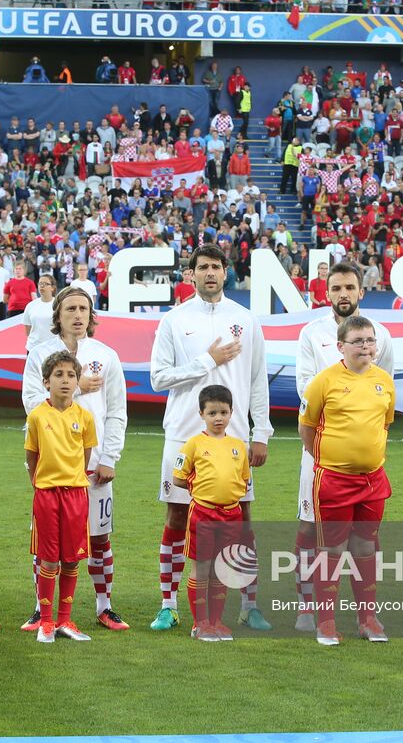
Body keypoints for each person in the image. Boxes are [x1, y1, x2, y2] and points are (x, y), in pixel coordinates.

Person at [149, 245, 272, 632]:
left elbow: (257, 381)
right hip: (184, 433)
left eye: (216, 267)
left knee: (243, 519)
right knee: (177, 515)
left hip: (234, 439)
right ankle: (169, 604)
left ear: (226, 272)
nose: (209, 274)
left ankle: (248, 605)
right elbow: (158, 377)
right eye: (202, 268)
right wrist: (208, 361)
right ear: (192, 274)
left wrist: (261, 432)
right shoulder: (174, 320)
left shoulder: (246, 319)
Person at [292, 262, 393, 630]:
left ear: (361, 291)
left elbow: (386, 397)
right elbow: (305, 387)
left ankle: (365, 613)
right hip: (321, 453)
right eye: (337, 288)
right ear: (327, 292)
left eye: (350, 287)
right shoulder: (311, 333)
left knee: (364, 538)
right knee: (309, 529)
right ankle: (307, 604)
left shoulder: (379, 335)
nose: (344, 294)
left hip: (363, 459)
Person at [21, 287, 129, 631]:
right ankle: (43, 610)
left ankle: (104, 605)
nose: (78, 315)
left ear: (91, 314)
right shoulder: (40, 354)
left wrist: (110, 456)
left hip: (94, 462)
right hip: (51, 465)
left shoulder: (106, 355)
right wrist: (77, 385)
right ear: (58, 314)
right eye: (71, 309)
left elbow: (117, 411)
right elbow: (31, 401)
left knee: (99, 536)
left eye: (84, 308)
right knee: (47, 542)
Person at [25, 350, 98, 643]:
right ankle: (45, 622)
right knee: (48, 559)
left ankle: (65, 621)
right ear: (46, 381)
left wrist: (72, 480)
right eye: (59, 375)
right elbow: (32, 455)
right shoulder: (37, 416)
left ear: (77, 381)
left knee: (71, 559)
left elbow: (85, 455)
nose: (65, 381)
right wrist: (39, 483)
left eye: (71, 375)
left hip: (75, 496)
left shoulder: (85, 417)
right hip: (46, 496)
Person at [175, 384, 250, 641]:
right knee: (202, 567)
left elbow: (243, 479)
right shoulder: (193, 444)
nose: (218, 418)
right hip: (203, 514)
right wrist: (203, 490)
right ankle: (200, 624)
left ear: (231, 413)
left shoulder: (239, 446)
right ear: (201, 414)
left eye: (223, 412)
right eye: (212, 413)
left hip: (232, 515)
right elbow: (178, 478)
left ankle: (217, 622)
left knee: (222, 569)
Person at [23, 274, 58, 350]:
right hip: (34, 348)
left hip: (53, 348)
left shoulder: (59, 305)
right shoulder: (31, 305)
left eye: (45, 284)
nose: (42, 286)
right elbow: (28, 330)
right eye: (40, 283)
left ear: (53, 288)